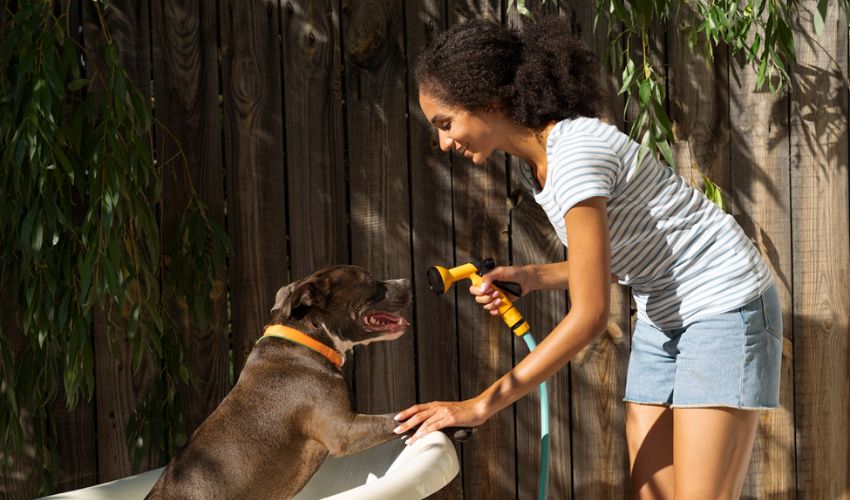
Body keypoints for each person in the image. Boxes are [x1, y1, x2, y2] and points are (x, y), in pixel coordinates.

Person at [392, 17, 783, 500]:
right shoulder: (543, 163)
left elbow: (591, 315)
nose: (444, 143)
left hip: (726, 305)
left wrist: (478, 406)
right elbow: (622, 258)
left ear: (487, 102)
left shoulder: (574, 154)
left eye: (445, 124)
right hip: (665, 309)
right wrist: (531, 277)